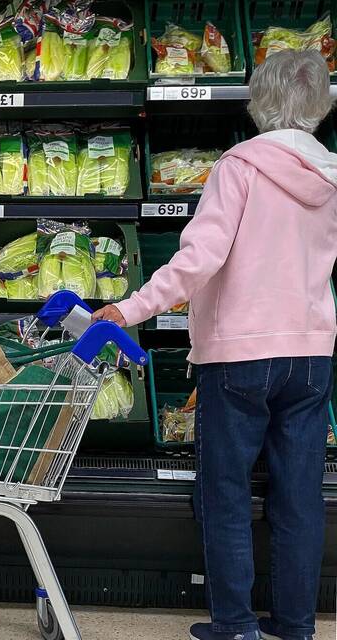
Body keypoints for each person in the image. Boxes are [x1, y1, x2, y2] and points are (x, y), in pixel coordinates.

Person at [94, 50, 337, 640]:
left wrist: (129, 308)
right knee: (299, 499)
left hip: (239, 358)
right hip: (310, 358)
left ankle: (234, 624)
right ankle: (296, 626)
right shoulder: (332, 176)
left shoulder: (239, 167)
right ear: (322, 103)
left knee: (225, 491)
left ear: (258, 102)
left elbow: (200, 259)